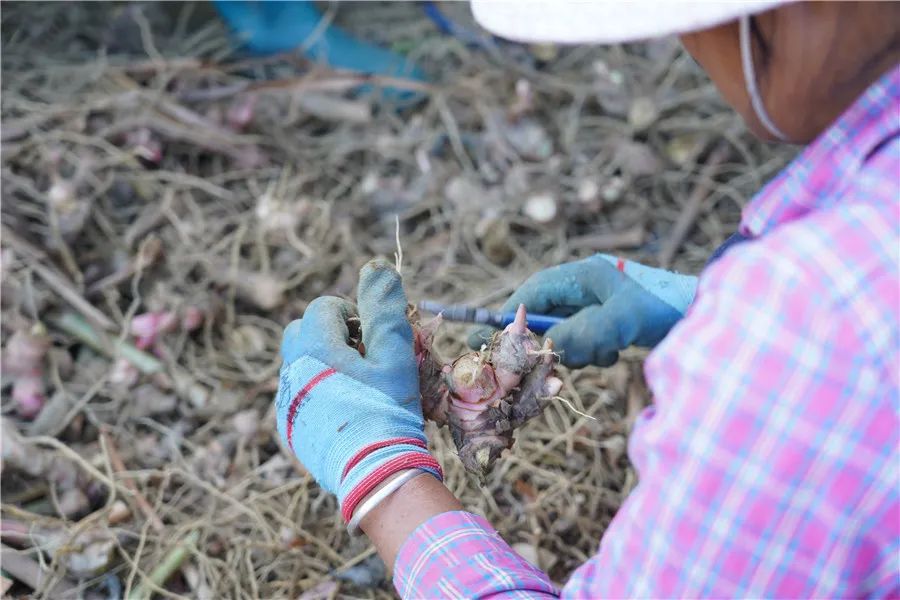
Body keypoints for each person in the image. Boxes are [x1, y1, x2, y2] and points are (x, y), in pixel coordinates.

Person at [274, 1, 899, 597]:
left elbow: (837, 340)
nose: (692, 43)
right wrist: (706, 302)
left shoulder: (815, 325)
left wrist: (384, 474)